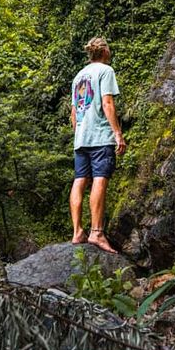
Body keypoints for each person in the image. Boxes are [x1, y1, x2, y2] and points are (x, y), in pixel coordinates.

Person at [69, 36, 126, 253]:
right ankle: (96, 233)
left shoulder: (78, 76)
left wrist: (79, 134)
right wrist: (118, 133)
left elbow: (74, 113)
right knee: (99, 180)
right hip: (100, 136)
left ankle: (77, 231)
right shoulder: (105, 71)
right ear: (104, 52)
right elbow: (107, 102)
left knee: (79, 181)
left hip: (81, 138)